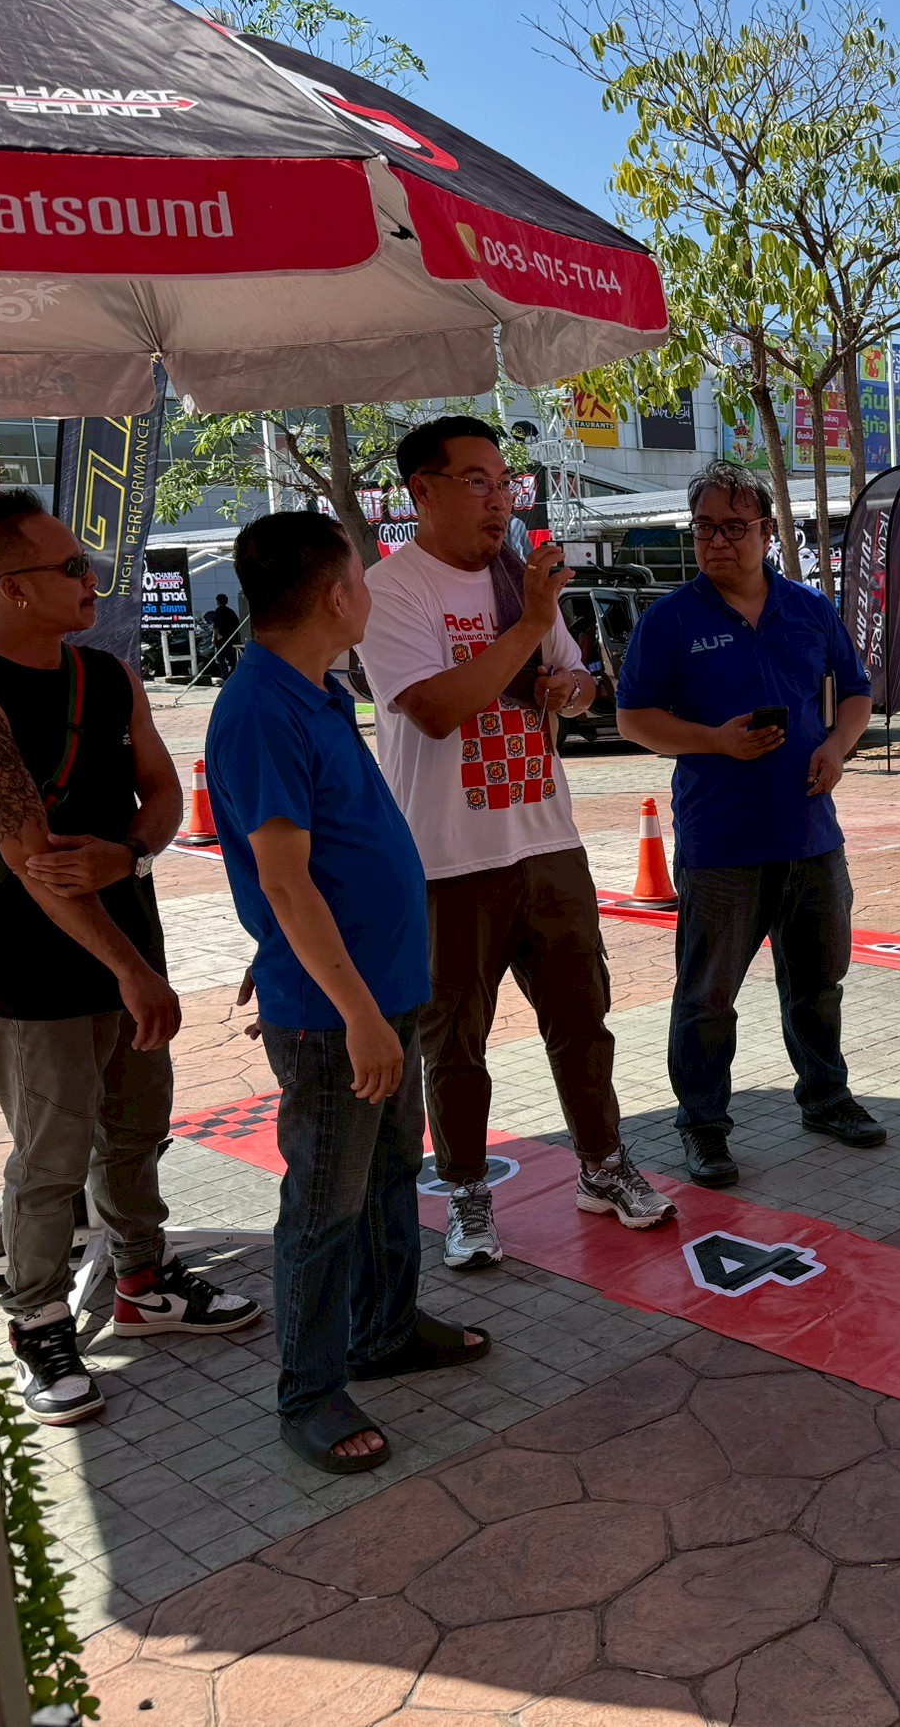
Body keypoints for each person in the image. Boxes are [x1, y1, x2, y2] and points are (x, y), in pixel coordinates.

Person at [0, 490, 259, 1428]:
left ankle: (143, 1280)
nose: (92, 581)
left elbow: (163, 792)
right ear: (12, 587)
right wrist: (132, 969)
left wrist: (133, 855)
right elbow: (35, 862)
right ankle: (37, 1320)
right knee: (49, 1158)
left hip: (129, 947)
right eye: (73, 568)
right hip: (33, 970)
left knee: (137, 1129)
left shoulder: (107, 676)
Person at [206, 510, 488, 1474]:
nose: (370, 592)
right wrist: (357, 1013)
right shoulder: (261, 710)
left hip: (378, 994)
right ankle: (310, 1392)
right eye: (362, 579)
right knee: (325, 1204)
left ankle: (386, 1329)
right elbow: (284, 882)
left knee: (388, 1177)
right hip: (339, 1018)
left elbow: (306, 870)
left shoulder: (316, 692)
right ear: (335, 597)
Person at [356, 416, 675, 1266]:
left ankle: (602, 1165)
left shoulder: (515, 581)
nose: (499, 500)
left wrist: (570, 688)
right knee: (455, 1042)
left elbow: (577, 681)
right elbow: (435, 709)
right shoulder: (393, 590)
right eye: (476, 482)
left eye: (504, 483)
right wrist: (532, 627)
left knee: (583, 1020)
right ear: (421, 492)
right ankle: (467, 1192)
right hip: (447, 859)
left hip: (548, 842)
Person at [614, 462, 882, 1185]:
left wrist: (836, 746)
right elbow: (633, 718)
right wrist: (715, 740)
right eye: (704, 527)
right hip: (721, 843)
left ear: (766, 531)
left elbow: (855, 692)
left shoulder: (808, 608)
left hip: (811, 836)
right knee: (706, 997)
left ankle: (825, 1097)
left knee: (818, 982)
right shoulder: (671, 620)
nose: (717, 542)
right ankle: (703, 1127)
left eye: (734, 527)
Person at [204, 592, 242, 682]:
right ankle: (232, 676)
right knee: (231, 660)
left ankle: (226, 676)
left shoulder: (218, 611)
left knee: (219, 659)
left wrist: (214, 638)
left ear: (218, 601)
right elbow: (238, 625)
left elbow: (216, 627)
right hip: (232, 639)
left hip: (222, 639)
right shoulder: (231, 612)